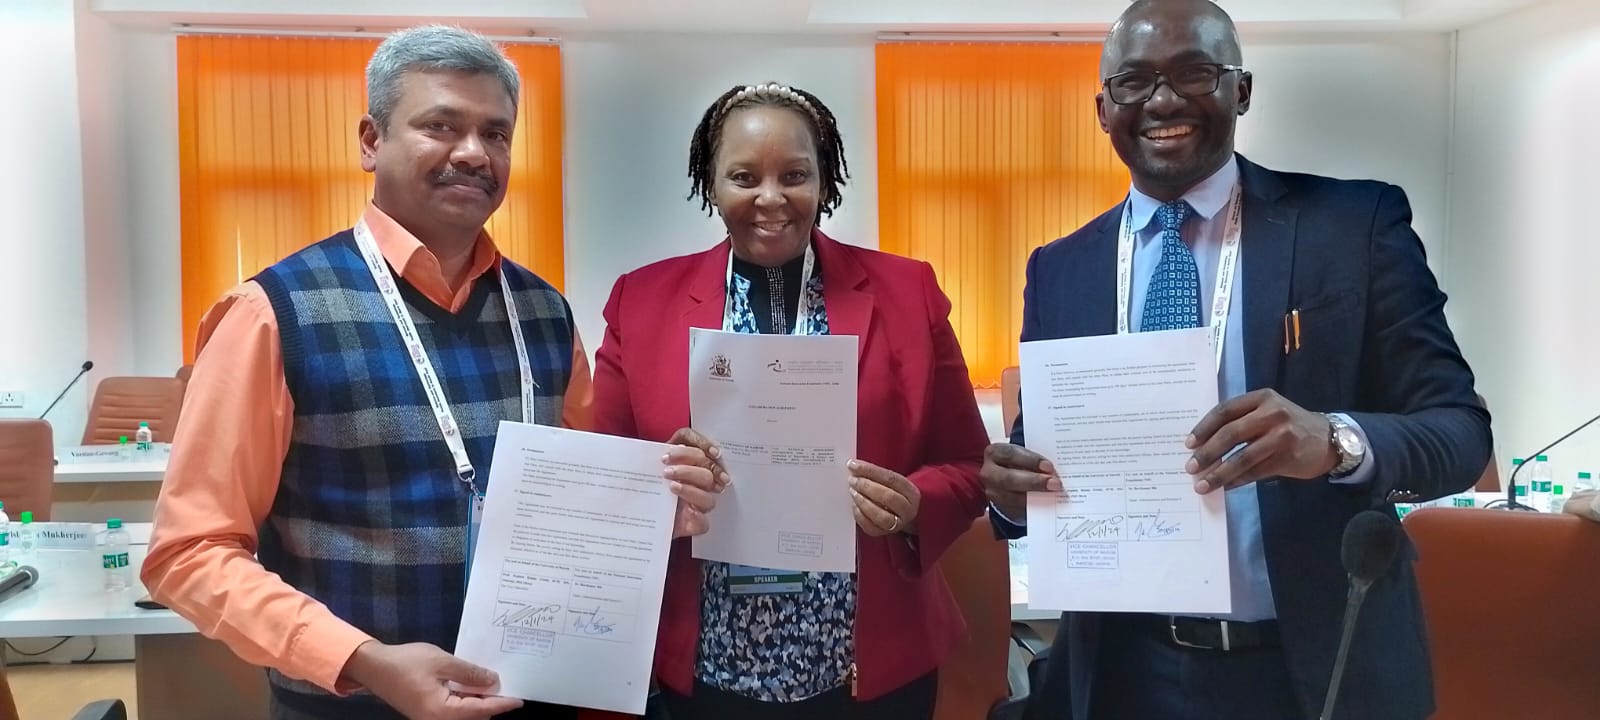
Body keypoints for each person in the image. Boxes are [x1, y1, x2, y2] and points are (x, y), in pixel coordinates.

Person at [142, 26, 721, 720]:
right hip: (353, 707)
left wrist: (659, 507)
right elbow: (190, 552)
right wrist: (363, 661)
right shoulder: (274, 313)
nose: (474, 153)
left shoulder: (542, 309)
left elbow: (581, 498)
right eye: (441, 126)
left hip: (531, 695)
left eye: (496, 133)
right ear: (370, 140)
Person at [980, 2, 1492, 719]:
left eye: (1194, 74)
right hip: (1126, 671)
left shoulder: (1352, 228)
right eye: (1133, 81)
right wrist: (1008, 494)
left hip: (1314, 667)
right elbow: (1042, 460)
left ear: (1240, 91)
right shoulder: (1062, 268)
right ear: (1103, 108)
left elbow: (1462, 434)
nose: (1162, 100)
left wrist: (1336, 443)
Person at [590, 82, 990, 719]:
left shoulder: (905, 291)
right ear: (711, 184)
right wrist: (660, 482)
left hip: (871, 666)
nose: (770, 198)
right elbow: (601, 480)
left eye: (795, 175)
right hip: (709, 664)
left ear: (824, 179)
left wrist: (916, 505)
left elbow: (971, 465)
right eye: (744, 176)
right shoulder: (641, 302)